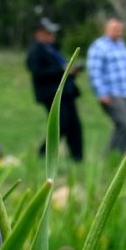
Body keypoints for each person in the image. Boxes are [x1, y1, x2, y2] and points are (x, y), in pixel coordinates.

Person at [26, 17, 84, 162]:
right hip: (52, 94)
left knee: (74, 126)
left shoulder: (53, 49)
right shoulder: (36, 50)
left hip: (67, 93)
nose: (52, 35)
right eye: (48, 32)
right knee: (60, 125)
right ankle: (43, 154)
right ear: (39, 33)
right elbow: (38, 73)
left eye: (52, 33)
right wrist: (63, 70)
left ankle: (77, 159)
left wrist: (71, 72)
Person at [87, 18, 126, 154]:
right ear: (106, 30)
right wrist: (101, 93)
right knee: (123, 125)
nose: (119, 33)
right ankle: (110, 156)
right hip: (112, 93)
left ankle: (122, 156)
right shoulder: (99, 47)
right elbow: (94, 72)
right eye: (115, 30)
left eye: (120, 30)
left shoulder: (121, 45)